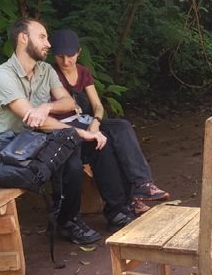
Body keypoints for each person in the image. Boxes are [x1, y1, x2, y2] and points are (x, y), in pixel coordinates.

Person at [0, 18, 109, 245]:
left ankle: (74, 218)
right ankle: (67, 220)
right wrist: (82, 132)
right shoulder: (2, 76)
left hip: (39, 141)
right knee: (72, 151)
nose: (48, 44)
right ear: (24, 38)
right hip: (11, 150)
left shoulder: (45, 70)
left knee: (80, 152)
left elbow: (68, 103)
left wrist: (46, 106)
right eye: (42, 37)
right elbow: (34, 122)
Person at [49, 28, 170, 231]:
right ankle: (122, 206)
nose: (66, 61)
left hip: (87, 122)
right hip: (66, 129)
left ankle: (139, 187)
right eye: (60, 56)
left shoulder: (83, 72)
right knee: (107, 142)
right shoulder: (51, 74)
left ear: (78, 52)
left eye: (70, 56)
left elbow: (97, 105)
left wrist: (95, 123)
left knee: (118, 129)